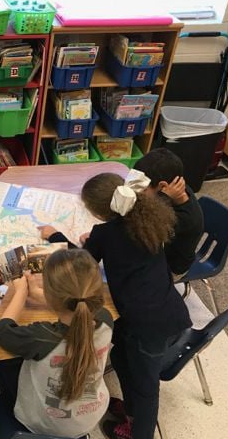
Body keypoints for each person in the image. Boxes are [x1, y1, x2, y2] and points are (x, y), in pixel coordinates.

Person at [39, 171, 192, 439]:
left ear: (98, 212)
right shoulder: (147, 219)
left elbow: (80, 263)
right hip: (163, 311)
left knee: (146, 389)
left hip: (149, 327)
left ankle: (139, 432)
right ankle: (131, 412)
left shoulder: (105, 233)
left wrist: (55, 236)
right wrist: (96, 242)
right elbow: (121, 248)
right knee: (121, 358)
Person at [0, 249, 113, 439]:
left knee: (3, 365)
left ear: (52, 297)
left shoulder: (41, 337)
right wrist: (41, 295)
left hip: (43, 424)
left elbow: (3, 331)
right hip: (90, 415)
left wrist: (22, 292)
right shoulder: (106, 320)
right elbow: (76, 308)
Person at [134, 148, 204, 277]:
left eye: (143, 188)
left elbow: (141, 227)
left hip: (171, 266)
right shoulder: (175, 188)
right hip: (160, 245)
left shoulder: (185, 219)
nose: (138, 191)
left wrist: (163, 198)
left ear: (163, 187)